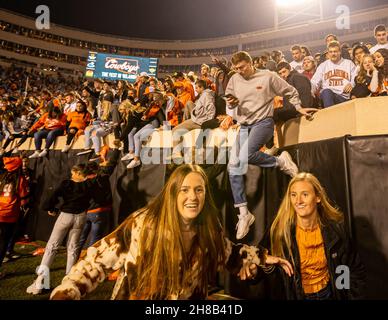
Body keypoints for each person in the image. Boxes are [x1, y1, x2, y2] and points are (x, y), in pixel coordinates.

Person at [49, 164, 293, 300]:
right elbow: (95, 263)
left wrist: (258, 257)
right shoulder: (142, 224)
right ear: (172, 193)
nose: (192, 197)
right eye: (185, 190)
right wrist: (66, 294)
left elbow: (227, 253)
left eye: (199, 190)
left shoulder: (209, 227)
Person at [224, 51, 316, 240]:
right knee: (232, 166)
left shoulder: (268, 76)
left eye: (242, 67)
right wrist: (231, 104)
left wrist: (298, 107)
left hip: (263, 122)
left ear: (250, 63)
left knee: (245, 156)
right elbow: (230, 106)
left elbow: (290, 91)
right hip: (244, 124)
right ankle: (244, 214)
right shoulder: (234, 79)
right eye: (236, 68)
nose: (239, 71)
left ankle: (280, 162)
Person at [245, 172, 366, 300]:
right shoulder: (279, 231)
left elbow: (347, 268)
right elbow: (260, 266)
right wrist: (254, 272)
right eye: (293, 195)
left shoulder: (334, 230)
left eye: (305, 194)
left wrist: (345, 296)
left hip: (328, 294)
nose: (298, 201)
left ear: (318, 197)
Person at [26, 164, 91, 295]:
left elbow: (52, 198)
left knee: (52, 247)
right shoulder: (89, 184)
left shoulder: (67, 184)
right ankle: (69, 283)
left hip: (66, 216)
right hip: (81, 217)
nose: (71, 174)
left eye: (73, 172)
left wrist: (52, 209)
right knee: (72, 248)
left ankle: (40, 282)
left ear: (77, 172)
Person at [311, 41, 357, 108]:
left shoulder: (349, 63)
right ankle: (330, 116)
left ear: (340, 52)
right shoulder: (323, 65)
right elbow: (315, 82)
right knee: (326, 92)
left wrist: (352, 84)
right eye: (331, 52)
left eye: (335, 51)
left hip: (344, 97)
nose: (333, 54)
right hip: (327, 96)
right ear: (328, 53)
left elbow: (356, 77)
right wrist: (310, 91)